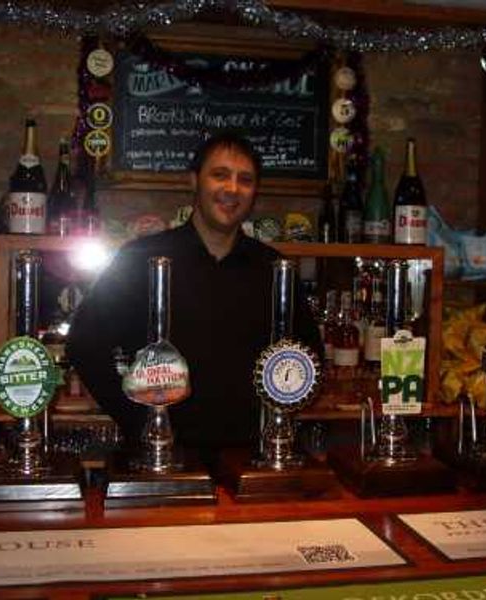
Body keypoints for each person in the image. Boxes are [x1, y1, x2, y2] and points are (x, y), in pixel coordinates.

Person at [66, 132, 321, 454]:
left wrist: (279, 419)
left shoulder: (272, 267)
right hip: (162, 455)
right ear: (194, 181)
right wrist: (138, 418)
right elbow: (85, 343)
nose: (232, 189)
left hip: (251, 455)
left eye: (245, 179)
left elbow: (310, 356)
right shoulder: (141, 257)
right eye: (219, 175)